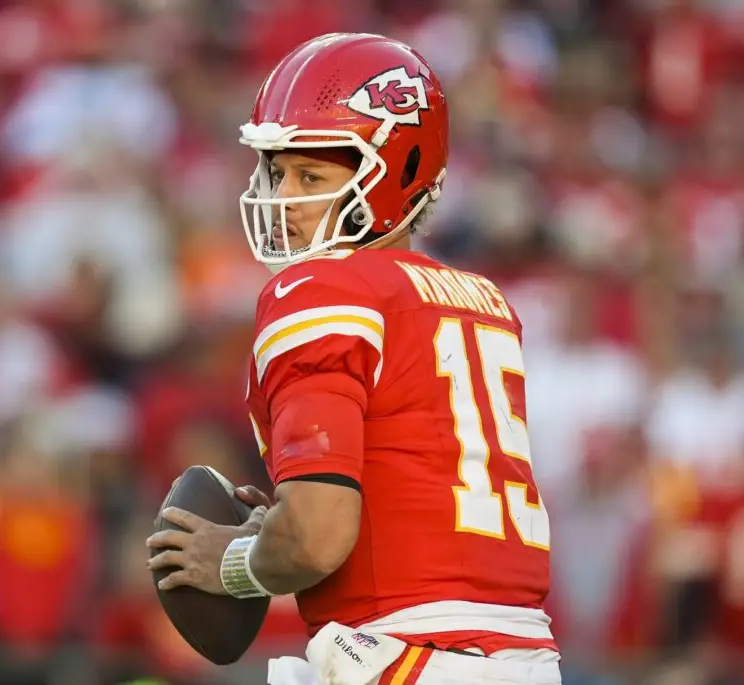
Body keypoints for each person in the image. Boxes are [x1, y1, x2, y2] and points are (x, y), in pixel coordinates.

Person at [146, 32, 561, 684]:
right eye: (278, 171)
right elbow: (405, 486)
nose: (285, 198)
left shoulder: (319, 289)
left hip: (406, 654)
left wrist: (229, 557)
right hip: (522, 660)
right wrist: (278, 524)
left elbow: (316, 536)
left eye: (312, 175)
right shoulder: (482, 299)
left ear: (397, 174)